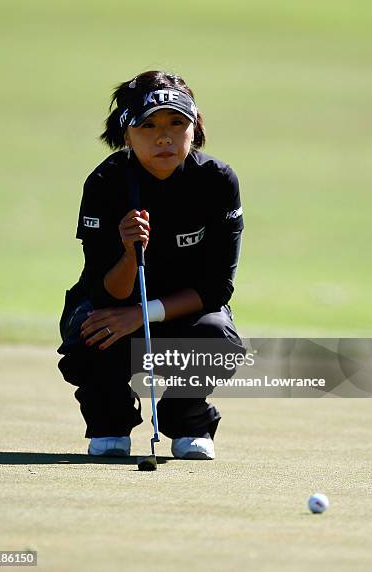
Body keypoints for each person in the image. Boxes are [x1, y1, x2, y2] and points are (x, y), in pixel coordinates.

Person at [57, 70, 245, 460]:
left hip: (185, 310)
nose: (164, 137)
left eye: (177, 123)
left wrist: (143, 314)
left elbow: (216, 289)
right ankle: (110, 418)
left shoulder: (217, 181)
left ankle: (186, 419)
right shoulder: (107, 182)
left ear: (195, 128)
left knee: (216, 336)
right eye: (149, 126)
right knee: (91, 330)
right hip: (114, 304)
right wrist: (128, 251)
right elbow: (103, 290)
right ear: (127, 134)